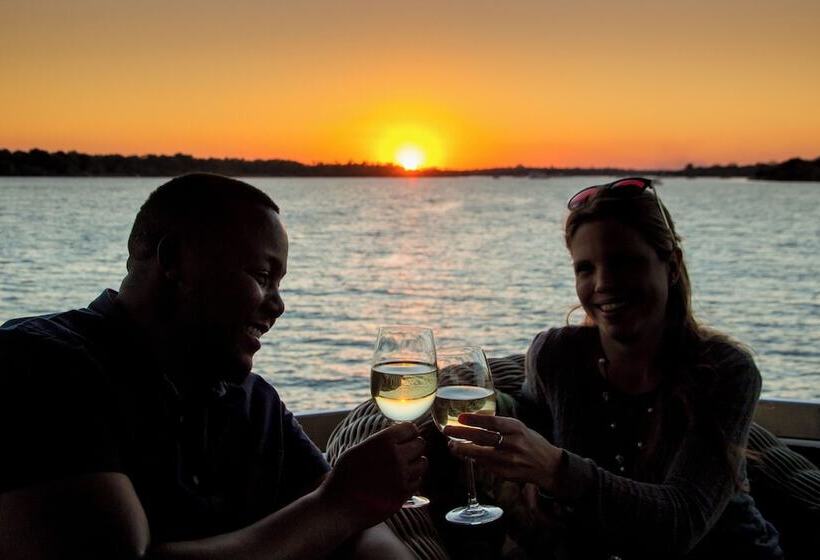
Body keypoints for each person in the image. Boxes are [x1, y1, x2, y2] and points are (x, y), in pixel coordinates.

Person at [0, 173, 424, 559]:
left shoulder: (254, 403)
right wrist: (335, 506)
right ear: (174, 261)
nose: (278, 305)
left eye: (280, 284)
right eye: (262, 275)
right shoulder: (39, 364)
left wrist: (344, 509)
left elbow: (363, 531)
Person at [444, 178, 783, 558]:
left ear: (671, 266)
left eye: (624, 262)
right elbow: (532, 421)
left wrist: (557, 471)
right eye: (585, 268)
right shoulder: (556, 356)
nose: (604, 283)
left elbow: (681, 521)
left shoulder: (725, 372)